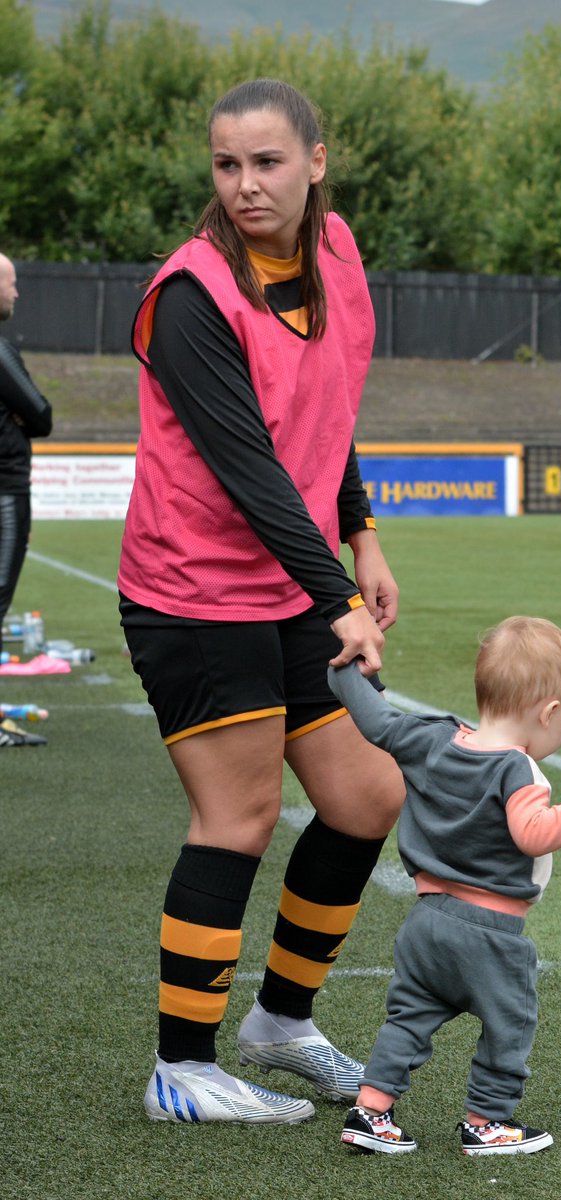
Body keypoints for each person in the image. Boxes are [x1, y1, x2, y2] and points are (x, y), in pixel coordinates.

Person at [117, 78, 404, 1125]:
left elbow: (326, 408)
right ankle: (180, 1070)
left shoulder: (334, 255)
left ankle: (279, 1024)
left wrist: (361, 531)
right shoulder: (192, 294)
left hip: (290, 586)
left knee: (365, 798)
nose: (245, 184)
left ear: (315, 162)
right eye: (227, 166)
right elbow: (249, 468)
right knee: (235, 817)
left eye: (267, 162)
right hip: (195, 595)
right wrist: (337, 594)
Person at [328, 615, 561, 1157]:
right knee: (510, 1022)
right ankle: (487, 1121)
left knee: (409, 1018)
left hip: (425, 921)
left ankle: (371, 1112)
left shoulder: (431, 738)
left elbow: (375, 720)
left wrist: (347, 670)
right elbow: (533, 834)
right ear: (549, 712)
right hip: (490, 931)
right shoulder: (518, 769)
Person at [0, 253, 52, 748]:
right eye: (10, 285)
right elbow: (40, 414)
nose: (16, 294)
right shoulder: (0, 351)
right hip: (4, 493)